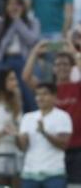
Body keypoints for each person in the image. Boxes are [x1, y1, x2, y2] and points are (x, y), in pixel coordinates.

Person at [22, 42, 81, 185]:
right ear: (53, 68)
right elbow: (26, 77)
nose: (62, 67)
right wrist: (35, 51)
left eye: (66, 64)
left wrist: (73, 52)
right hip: (52, 151)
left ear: (72, 67)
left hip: (77, 147)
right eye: (58, 64)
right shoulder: (47, 89)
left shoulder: (77, 86)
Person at [17, 83, 72, 188]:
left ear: (54, 96)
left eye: (44, 94)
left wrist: (44, 132)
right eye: (37, 95)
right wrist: (16, 136)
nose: (40, 98)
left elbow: (63, 145)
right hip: (30, 174)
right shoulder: (27, 117)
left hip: (55, 174)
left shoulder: (63, 116)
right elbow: (23, 147)